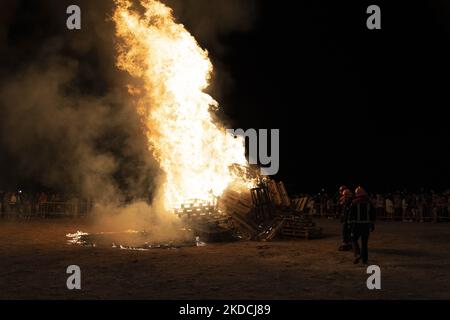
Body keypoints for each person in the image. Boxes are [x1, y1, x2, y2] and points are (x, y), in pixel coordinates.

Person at [349, 186, 376, 265]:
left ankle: (357, 254)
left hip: (356, 225)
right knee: (364, 243)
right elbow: (373, 215)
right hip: (366, 225)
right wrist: (372, 225)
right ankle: (365, 260)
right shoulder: (369, 202)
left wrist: (350, 226)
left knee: (353, 239)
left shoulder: (354, 202)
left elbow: (351, 215)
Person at [338, 186, 353, 251]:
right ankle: (348, 244)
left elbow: (347, 209)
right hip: (346, 218)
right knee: (346, 231)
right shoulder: (346, 200)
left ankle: (347, 244)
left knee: (346, 231)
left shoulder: (350, 201)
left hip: (349, 219)